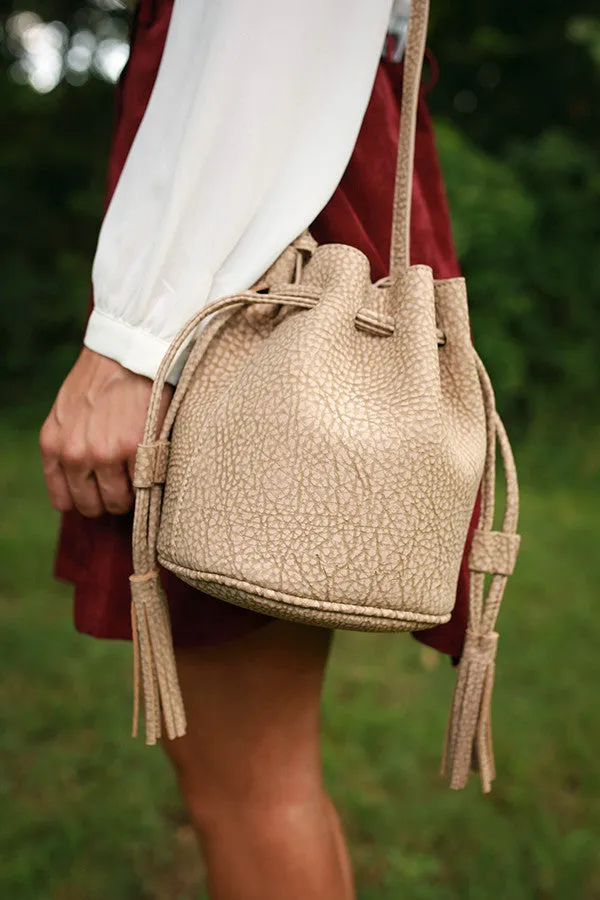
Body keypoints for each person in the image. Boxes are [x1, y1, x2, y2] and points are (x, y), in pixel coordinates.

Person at [39, 1, 480, 897]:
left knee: (249, 786)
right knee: (262, 779)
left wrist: (134, 340)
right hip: (297, 166)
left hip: (253, 215)